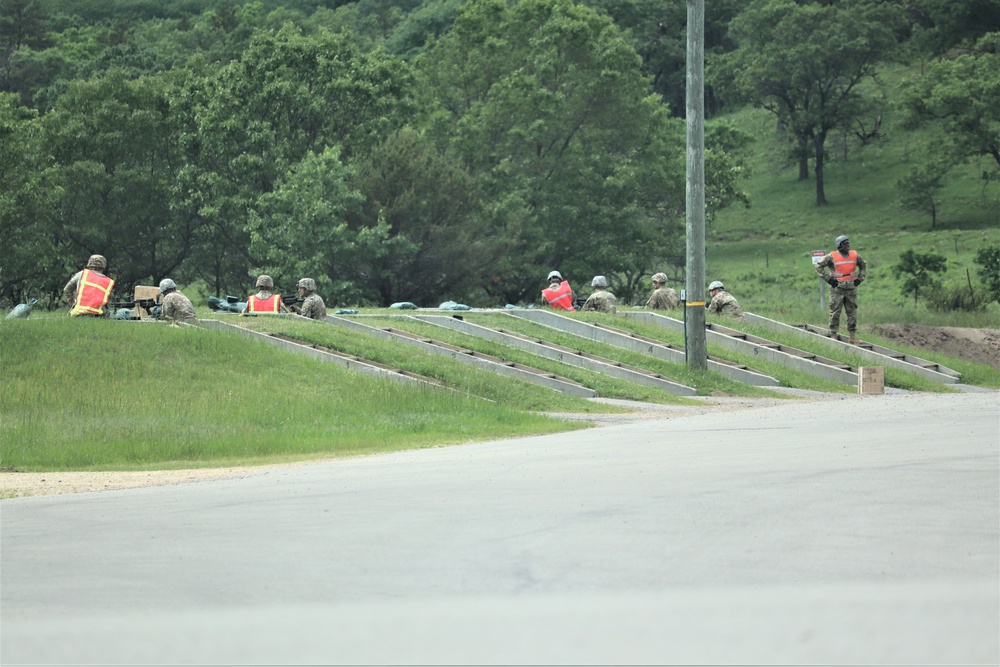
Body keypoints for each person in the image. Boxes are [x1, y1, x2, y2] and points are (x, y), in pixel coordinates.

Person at [815, 234, 867, 344]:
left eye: (848, 242)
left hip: (851, 288)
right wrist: (828, 279)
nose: (848, 245)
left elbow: (863, 265)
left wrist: (860, 279)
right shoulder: (832, 256)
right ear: (840, 245)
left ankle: (852, 336)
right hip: (837, 288)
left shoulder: (854, 255)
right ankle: (833, 334)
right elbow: (818, 266)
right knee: (835, 312)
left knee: (852, 312)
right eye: (845, 243)